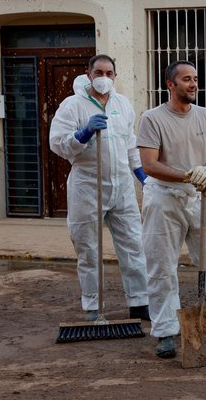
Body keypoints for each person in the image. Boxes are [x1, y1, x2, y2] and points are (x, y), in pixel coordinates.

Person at [137, 60, 206, 358]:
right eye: (186, 79)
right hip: (164, 199)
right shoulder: (152, 118)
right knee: (162, 268)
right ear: (170, 84)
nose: (193, 83)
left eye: (195, 78)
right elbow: (149, 164)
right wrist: (186, 176)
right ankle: (166, 331)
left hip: (202, 197)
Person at [49, 54, 150, 322]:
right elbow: (56, 142)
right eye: (99, 72)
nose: (104, 78)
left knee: (133, 245)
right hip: (87, 187)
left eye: (109, 73)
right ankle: (93, 308)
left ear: (115, 76)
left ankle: (140, 302)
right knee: (89, 249)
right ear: (88, 73)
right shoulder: (73, 106)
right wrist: (82, 133)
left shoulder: (122, 104)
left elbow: (130, 143)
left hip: (122, 188)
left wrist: (141, 175)